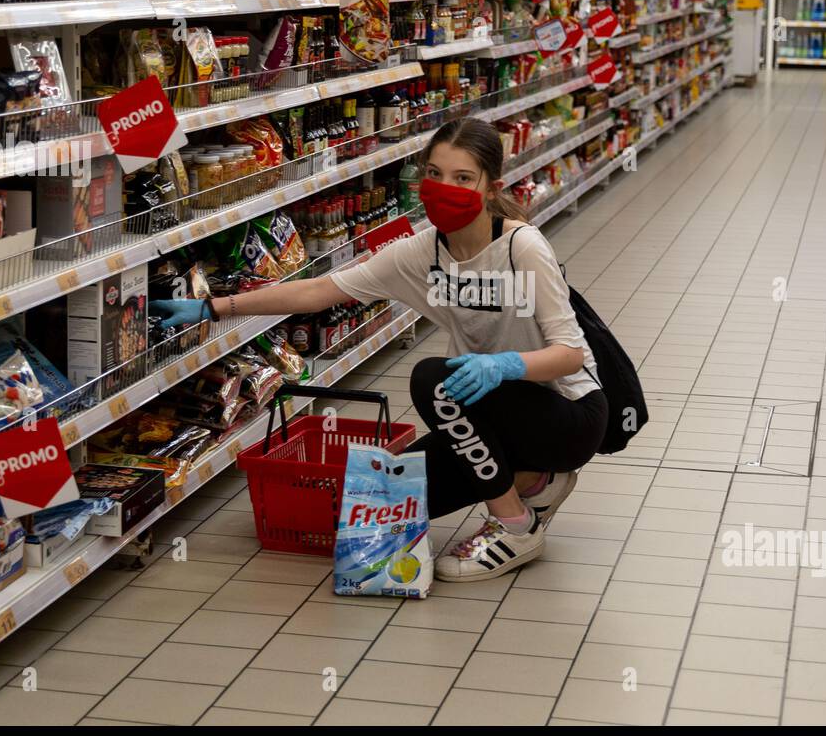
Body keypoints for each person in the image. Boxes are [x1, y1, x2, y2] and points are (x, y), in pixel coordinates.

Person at [151, 117, 608, 581]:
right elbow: (319, 291)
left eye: (463, 178)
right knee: (379, 501)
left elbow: (570, 354)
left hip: (569, 412)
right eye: (434, 174)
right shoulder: (422, 253)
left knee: (433, 378)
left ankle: (515, 525)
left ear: (492, 188)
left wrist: (504, 365)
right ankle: (535, 480)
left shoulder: (520, 247)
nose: (444, 187)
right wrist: (214, 307)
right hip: (491, 418)